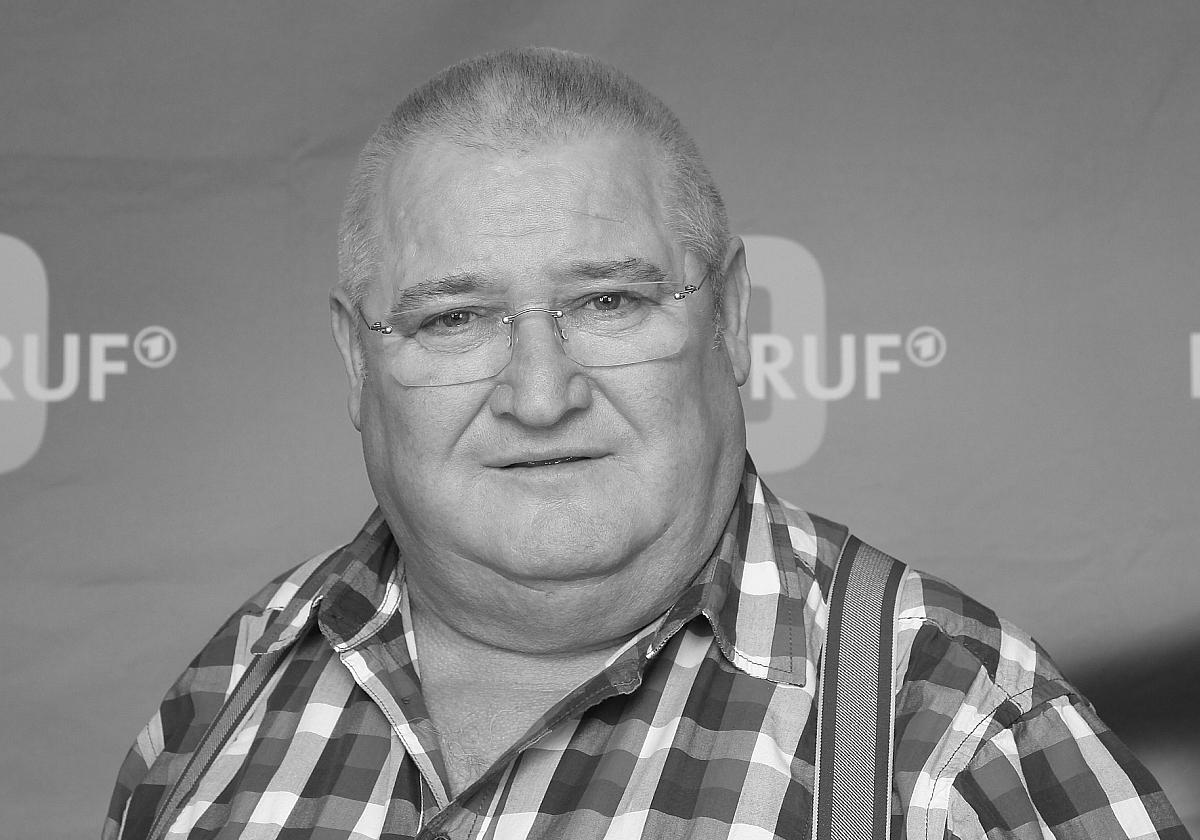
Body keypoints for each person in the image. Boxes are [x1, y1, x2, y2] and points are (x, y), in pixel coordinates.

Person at [104, 47, 1189, 840]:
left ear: (730, 321)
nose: (540, 395)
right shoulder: (226, 693)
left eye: (609, 302)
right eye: (454, 319)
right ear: (357, 362)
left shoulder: (958, 729)